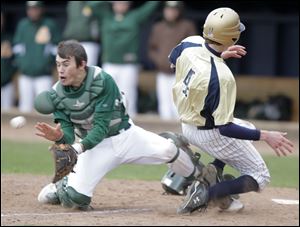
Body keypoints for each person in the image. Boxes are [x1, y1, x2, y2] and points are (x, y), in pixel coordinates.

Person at [34, 40, 209, 211]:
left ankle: (200, 179)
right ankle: (62, 186)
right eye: (58, 65)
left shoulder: (101, 80)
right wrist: (59, 137)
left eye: (66, 64)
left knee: (169, 150)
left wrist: (76, 149)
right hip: (93, 147)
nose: (60, 70)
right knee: (75, 199)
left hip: (126, 136)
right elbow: (69, 136)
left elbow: (101, 128)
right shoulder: (56, 95)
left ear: (82, 65)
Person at [168, 7, 294, 214]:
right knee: (260, 176)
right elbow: (225, 128)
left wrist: (218, 56)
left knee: (247, 127)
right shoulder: (222, 78)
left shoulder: (191, 43)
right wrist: (266, 136)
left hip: (187, 123)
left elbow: (174, 61)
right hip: (210, 133)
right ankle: (207, 193)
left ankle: (214, 170)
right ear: (232, 37)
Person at [85, 1, 161, 117]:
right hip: (109, 63)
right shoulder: (106, 15)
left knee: (128, 95)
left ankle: (130, 123)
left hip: (128, 65)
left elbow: (151, 6)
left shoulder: (134, 16)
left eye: (123, 2)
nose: (120, 5)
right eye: (118, 2)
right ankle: (107, 125)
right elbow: (90, 5)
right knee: (107, 95)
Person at [148, 1, 197, 120]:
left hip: (180, 73)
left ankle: (181, 135)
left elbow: (194, 48)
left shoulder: (187, 25)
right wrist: (159, 60)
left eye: (174, 10)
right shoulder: (158, 27)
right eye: (168, 10)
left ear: (179, 12)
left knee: (179, 105)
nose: (170, 13)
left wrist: (180, 61)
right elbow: (152, 48)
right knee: (164, 105)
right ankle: (166, 136)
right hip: (162, 71)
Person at [13, 1, 61, 113]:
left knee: (45, 109)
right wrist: (21, 64)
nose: (32, 11)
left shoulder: (50, 24)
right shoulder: (23, 25)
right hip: (25, 74)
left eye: (35, 8)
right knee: (24, 108)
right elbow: (17, 47)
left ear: (41, 9)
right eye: (30, 9)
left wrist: (48, 64)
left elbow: (56, 48)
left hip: (44, 75)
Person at [63, 1, 100, 66]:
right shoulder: (72, 3)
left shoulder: (94, 3)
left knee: (88, 70)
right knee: (71, 70)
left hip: (89, 42)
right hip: (72, 42)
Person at [1, 11, 17, 111]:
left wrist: (9, 74)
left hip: (6, 83)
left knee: (7, 114)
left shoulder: (9, 38)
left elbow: (16, 60)